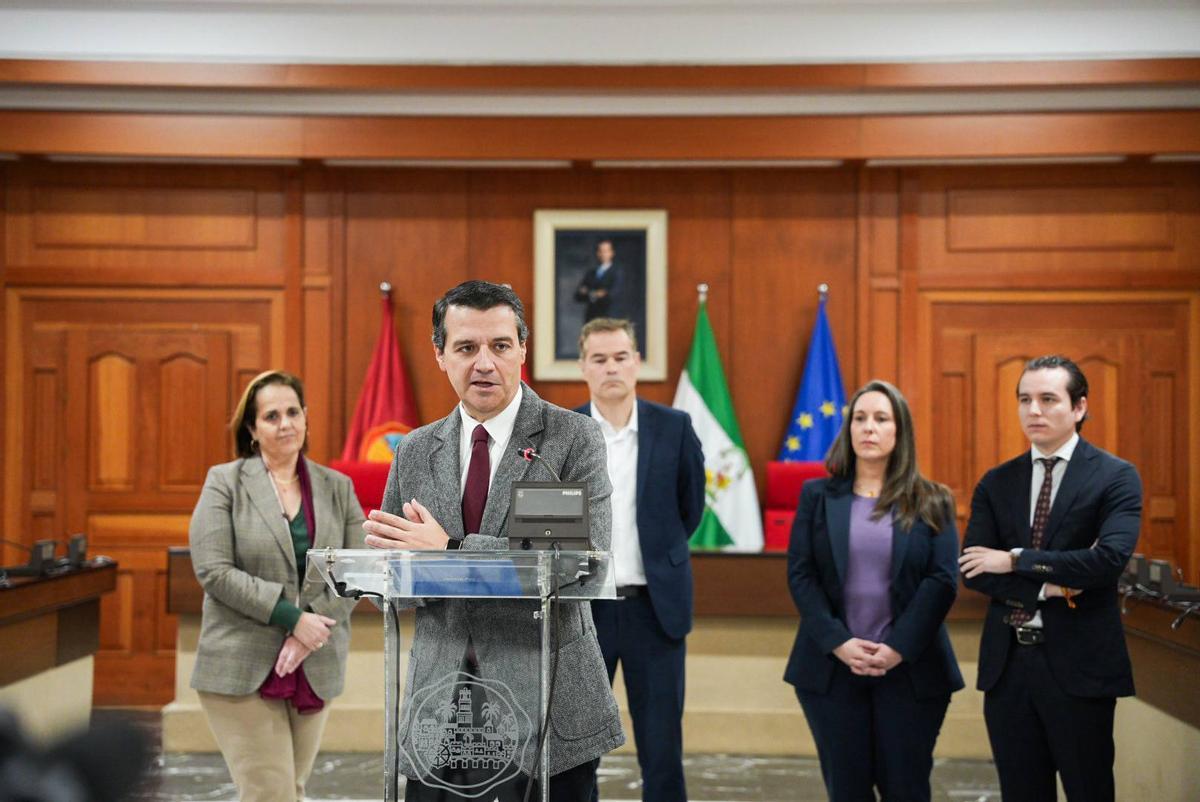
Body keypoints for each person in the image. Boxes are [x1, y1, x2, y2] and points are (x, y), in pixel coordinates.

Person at [363, 280, 624, 802]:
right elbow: (393, 580)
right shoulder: (414, 450)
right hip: (443, 703)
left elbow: (576, 564)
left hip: (547, 701)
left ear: (522, 350)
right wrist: (385, 575)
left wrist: (450, 552)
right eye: (466, 348)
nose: (484, 363)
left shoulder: (570, 439)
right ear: (440, 355)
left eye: (500, 346)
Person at [959, 355, 1143, 802]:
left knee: (1089, 790)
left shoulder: (1115, 477)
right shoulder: (996, 482)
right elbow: (974, 570)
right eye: (1025, 400)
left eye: (1047, 399)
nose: (1033, 411)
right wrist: (1052, 585)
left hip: (1080, 668)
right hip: (1009, 668)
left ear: (1079, 406)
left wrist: (1017, 560)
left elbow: (1108, 561)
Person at [189, 370, 365, 802]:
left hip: (314, 663)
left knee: (290, 789)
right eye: (271, 416)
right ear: (252, 429)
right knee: (272, 794)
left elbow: (359, 568)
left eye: (292, 412)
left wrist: (310, 631)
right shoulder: (225, 482)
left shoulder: (336, 487)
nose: (285, 423)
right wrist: (291, 618)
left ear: (306, 418)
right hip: (241, 661)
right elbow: (214, 570)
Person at [784, 379, 963, 802]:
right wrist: (839, 642)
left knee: (906, 787)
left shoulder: (932, 499)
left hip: (911, 670)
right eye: (859, 418)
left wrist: (898, 647)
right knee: (847, 789)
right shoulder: (817, 496)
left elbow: (941, 581)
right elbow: (801, 575)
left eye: (881, 419)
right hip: (832, 669)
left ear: (900, 431)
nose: (868, 427)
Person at [573, 318, 705, 802]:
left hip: (656, 608)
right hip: (583, 611)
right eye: (600, 359)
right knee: (576, 746)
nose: (611, 367)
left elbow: (690, 509)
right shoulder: (561, 432)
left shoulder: (674, 427)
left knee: (662, 744)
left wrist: (659, 555)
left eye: (621, 357)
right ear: (583, 367)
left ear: (637, 363)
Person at [574, 239, 621, 322]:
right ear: (597, 253)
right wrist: (597, 294)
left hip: (608, 319)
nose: (603, 254)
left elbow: (611, 296)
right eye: (601, 251)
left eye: (606, 251)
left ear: (612, 253)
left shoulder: (617, 272)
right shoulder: (591, 273)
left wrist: (588, 292)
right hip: (591, 318)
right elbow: (578, 296)